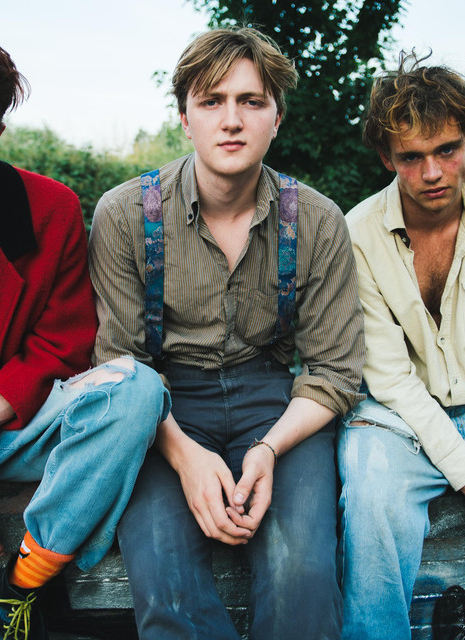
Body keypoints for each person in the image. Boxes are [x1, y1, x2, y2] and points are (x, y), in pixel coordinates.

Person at [89, 26, 364, 640]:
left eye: (251, 101)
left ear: (277, 118)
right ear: (185, 118)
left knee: (303, 574)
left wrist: (268, 449)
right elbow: (120, 366)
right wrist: (185, 457)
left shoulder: (318, 221)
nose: (231, 120)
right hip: (162, 405)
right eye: (211, 101)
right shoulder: (126, 214)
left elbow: (334, 371)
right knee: (164, 576)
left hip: (278, 404)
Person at [0, 12, 170, 640]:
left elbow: (64, 346)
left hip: (9, 420)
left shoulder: (46, 208)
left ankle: (23, 584)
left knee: (137, 390)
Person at [336, 51, 465, 640]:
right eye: (412, 157)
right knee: (369, 489)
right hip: (395, 420)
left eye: (447, 150)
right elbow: (390, 379)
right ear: (387, 157)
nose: (432, 172)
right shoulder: (356, 235)